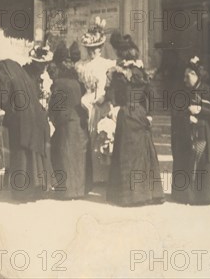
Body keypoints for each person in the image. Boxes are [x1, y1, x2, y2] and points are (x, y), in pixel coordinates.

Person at [104, 32, 164, 206]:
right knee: (143, 153)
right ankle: (147, 193)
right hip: (140, 113)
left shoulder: (118, 74)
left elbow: (111, 94)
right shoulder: (140, 73)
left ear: (121, 55)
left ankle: (129, 195)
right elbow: (151, 94)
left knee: (127, 153)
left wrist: (113, 106)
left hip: (126, 113)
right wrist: (149, 114)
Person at [0, 58, 53, 202]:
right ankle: (36, 189)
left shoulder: (7, 78)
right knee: (33, 155)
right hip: (36, 118)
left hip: (20, 121)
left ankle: (21, 192)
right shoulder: (23, 78)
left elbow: (3, 100)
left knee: (21, 156)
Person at [172, 56, 210, 205]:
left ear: (196, 75)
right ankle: (187, 195)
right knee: (188, 159)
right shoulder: (181, 94)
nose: (184, 79)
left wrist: (202, 110)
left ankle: (207, 195)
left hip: (206, 135)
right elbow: (176, 114)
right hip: (187, 135)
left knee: (203, 160)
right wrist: (185, 117)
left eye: (187, 75)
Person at [75, 17, 116, 183]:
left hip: (101, 102)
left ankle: (102, 176)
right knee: (88, 136)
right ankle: (90, 175)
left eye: (96, 49)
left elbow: (110, 86)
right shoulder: (80, 65)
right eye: (90, 49)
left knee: (101, 135)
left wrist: (104, 97)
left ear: (101, 48)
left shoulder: (106, 64)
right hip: (86, 101)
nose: (93, 52)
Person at [48, 42, 91, 199]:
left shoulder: (59, 83)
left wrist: (52, 118)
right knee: (77, 157)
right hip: (79, 123)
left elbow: (56, 106)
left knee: (64, 155)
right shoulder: (76, 82)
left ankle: (65, 190)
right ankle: (78, 190)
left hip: (66, 124)